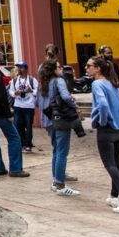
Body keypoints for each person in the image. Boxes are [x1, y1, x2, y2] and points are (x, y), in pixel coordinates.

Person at [88, 56, 119, 213]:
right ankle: (113, 195)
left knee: (110, 164)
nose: (86, 68)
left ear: (98, 69)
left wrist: (102, 121)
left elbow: (102, 104)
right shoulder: (113, 83)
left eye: (89, 66)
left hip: (108, 129)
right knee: (116, 163)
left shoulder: (97, 84)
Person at [36, 60, 80, 196]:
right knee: (62, 151)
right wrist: (74, 105)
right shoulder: (58, 81)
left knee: (56, 150)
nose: (61, 69)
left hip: (48, 119)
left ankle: (56, 181)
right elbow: (66, 97)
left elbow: (37, 102)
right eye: (59, 67)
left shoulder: (42, 84)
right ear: (53, 70)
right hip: (60, 118)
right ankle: (60, 183)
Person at [10, 62, 37, 152]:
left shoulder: (32, 80)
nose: (19, 69)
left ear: (26, 69)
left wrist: (30, 90)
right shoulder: (14, 81)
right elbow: (11, 91)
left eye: (21, 67)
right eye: (18, 67)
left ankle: (28, 144)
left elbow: (37, 92)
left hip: (29, 106)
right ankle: (21, 143)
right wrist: (14, 93)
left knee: (28, 126)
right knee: (18, 125)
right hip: (18, 105)